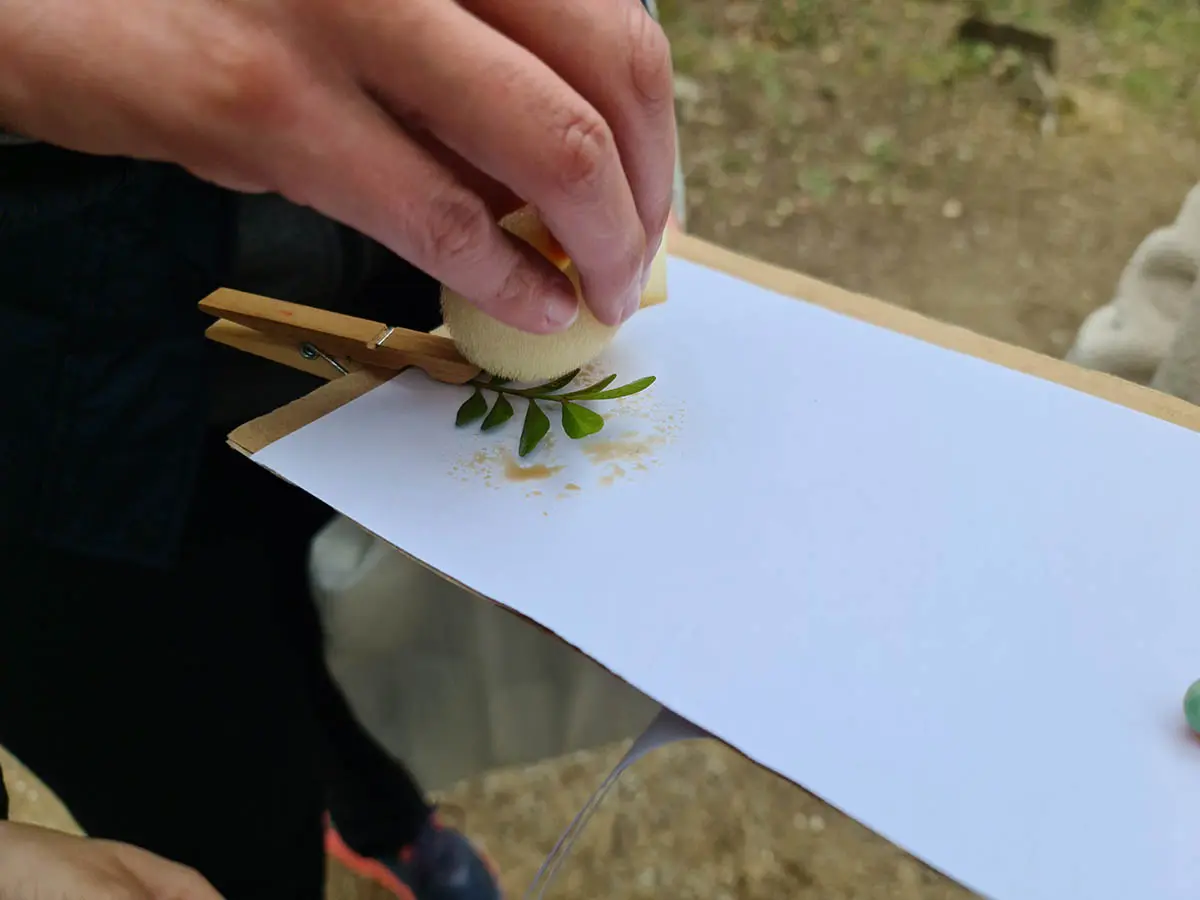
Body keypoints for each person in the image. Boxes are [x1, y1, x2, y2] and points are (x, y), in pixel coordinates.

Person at [0, 0, 679, 898]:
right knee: (213, 797)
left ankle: (380, 815)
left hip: (389, 300)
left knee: (355, 619)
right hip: (63, 406)